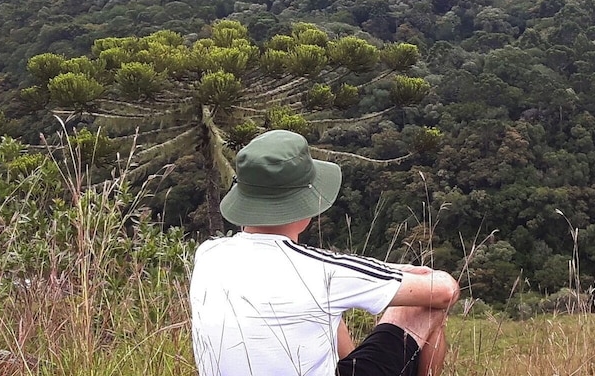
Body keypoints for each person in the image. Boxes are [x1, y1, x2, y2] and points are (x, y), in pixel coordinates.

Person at [190, 130, 458, 375]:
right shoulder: (325, 273)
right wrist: (415, 272)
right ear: (306, 208)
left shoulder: (207, 254)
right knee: (428, 306)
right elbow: (445, 291)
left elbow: (320, 298)